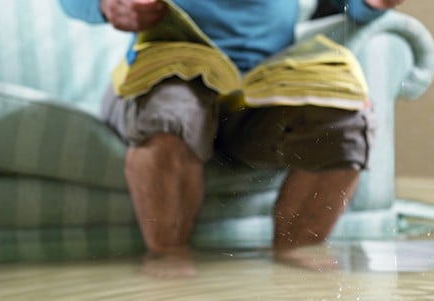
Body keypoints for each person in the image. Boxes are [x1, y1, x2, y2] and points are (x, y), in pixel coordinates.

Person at [60, 0, 406, 277]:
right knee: (170, 116)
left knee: (343, 126)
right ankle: (167, 252)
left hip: (265, 85)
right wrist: (106, 5)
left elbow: (343, 6)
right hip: (171, 72)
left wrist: (370, 3)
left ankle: (296, 247)